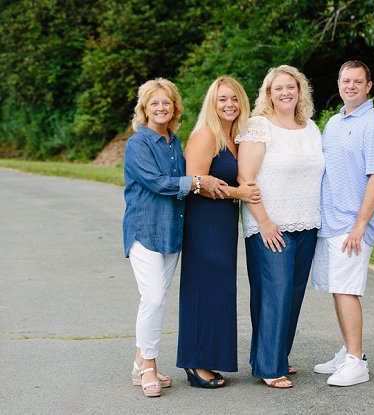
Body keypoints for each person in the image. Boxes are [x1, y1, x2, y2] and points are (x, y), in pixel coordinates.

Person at [123, 78, 229, 397]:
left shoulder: (173, 140)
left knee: (157, 299)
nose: (161, 108)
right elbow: (158, 183)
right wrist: (197, 182)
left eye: (166, 103)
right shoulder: (138, 143)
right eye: (154, 103)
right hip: (145, 230)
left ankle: (139, 361)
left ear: (174, 107)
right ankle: (149, 368)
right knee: (153, 298)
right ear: (144, 108)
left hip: (172, 230)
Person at [236, 65, 324, 389]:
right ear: (268, 93)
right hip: (269, 225)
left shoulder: (311, 128)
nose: (285, 92)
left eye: (291, 87)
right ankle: (270, 367)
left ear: (300, 91)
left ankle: (274, 356)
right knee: (275, 291)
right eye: (278, 88)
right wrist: (264, 222)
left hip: (307, 222)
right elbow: (245, 179)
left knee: (294, 293)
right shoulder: (259, 127)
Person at [310, 60, 374, 387]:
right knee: (337, 289)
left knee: (347, 290)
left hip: (352, 225)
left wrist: (360, 224)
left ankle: (356, 362)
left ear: (368, 86)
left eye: (358, 81)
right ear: (340, 83)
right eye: (346, 80)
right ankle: (348, 351)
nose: (351, 86)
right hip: (331, 221)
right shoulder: (333, 122)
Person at [177, 76, 261, 388]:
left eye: (235, 99)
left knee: (220, 291)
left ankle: (210, 357)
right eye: (223, 99)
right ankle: (195, 362)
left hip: (224, 224)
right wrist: (239, 194)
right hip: (204, 223)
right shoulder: (205, 135)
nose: (229, 105)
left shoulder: (234, 137)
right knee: (203, 290)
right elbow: (195, 183)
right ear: (212, 103)